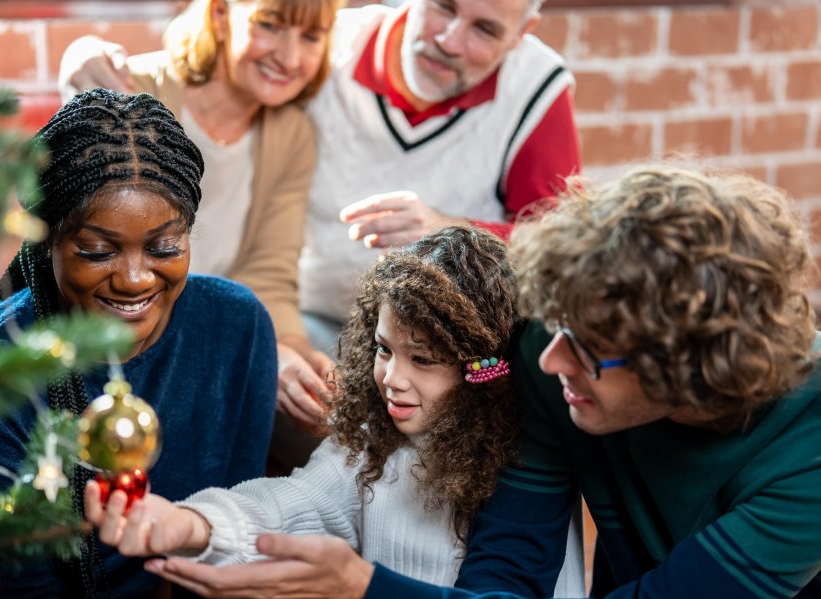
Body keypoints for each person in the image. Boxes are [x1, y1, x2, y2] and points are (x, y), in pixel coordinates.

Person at [139, 168, 821, 599]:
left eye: (581, 350)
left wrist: (371, 591)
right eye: (555, 329)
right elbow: (506, 572)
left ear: (686, 366)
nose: (548, 361)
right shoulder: (562, 351)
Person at [59, 0, 580, 440]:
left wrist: (453, 231)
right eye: (443, 6)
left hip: (438, 345)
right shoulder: (334, 44)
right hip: (309, 319)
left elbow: (562, 245)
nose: (449, 39)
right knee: (313, 414)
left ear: (521, 34)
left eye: (484, 29)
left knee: (509, 384)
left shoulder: (536, 88)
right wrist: (82, 56)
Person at [83, 226, 585, 599]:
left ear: (483, 369)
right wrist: (190, 523)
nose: (392, 378)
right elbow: (290, 503)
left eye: (424, 359)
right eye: (384, 349)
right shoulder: (378, 440)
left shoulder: (525, 466)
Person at [0, 89, 278, 599]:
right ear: (47, 241)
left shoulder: (235, 329)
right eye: (96, 251)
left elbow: (225, 540)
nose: (136, 278)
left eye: (165, 247)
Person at [59, 0, 342, 431]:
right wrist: (78, 53)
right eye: (269, 25)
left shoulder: (292, 133)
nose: (289, 57)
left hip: (213, 342)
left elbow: (269, 268)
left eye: (310, 37)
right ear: (220, 17)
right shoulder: (137, 92)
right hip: (117, 337)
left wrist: (287, 348)